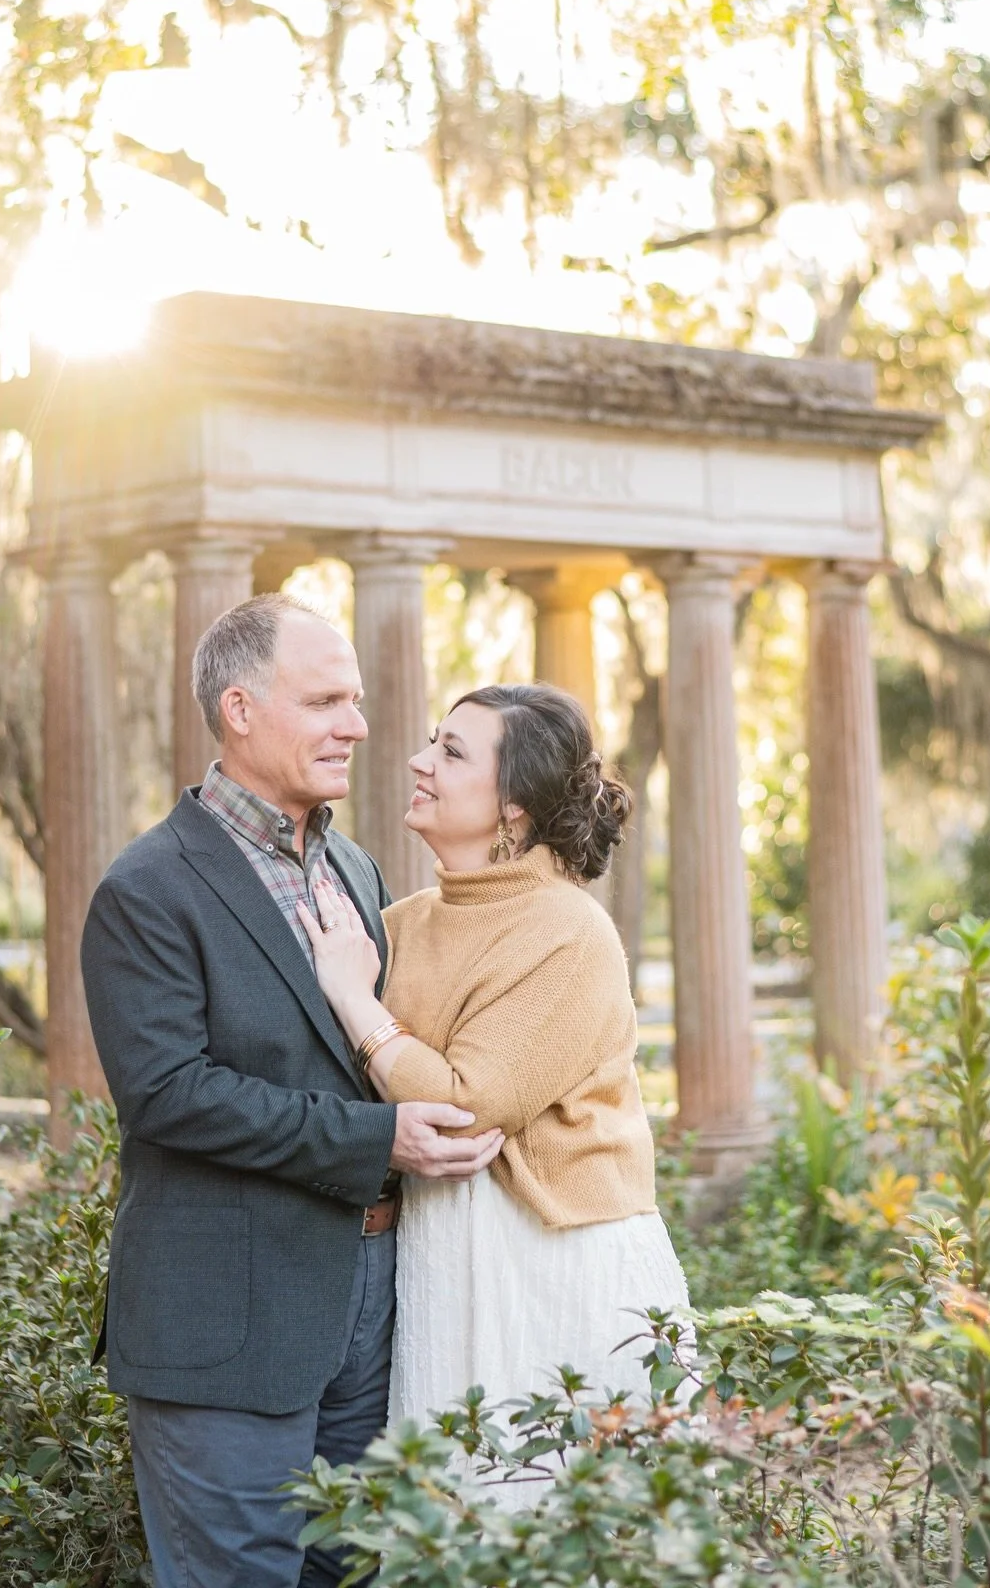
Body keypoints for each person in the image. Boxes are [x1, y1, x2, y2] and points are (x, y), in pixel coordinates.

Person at [80, 594, 504, 1588]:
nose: (357, 725)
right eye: (324, 701)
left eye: (354, 700)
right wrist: (379, 1141)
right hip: (226, 1328)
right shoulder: (148, 888)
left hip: (368, 1313)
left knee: (354, 1574)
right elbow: (171, 1095)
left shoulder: (354, 867)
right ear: (239, 709)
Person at [298, 680, 688, 1437]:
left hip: (558, 1264)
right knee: (453, 1520)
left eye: (450, 751)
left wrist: (355, 1001)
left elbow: (465, 1106)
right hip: (443, 1258)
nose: (418, 762)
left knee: (557, 1522)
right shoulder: (402, 922)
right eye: (430, 742)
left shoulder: (569, 932)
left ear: (514, 802)